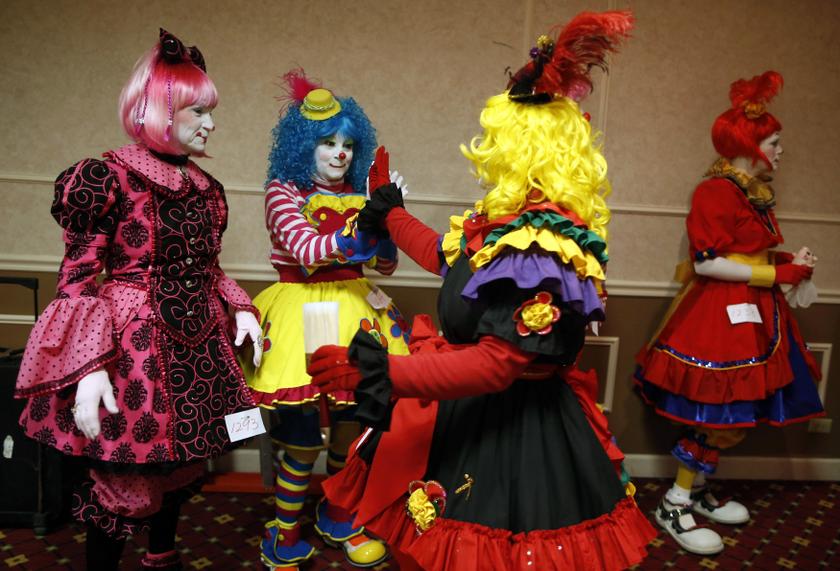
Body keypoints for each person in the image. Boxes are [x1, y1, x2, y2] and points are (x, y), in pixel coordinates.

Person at [306, 11, 656, 571]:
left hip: (518, 432)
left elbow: (496, 365)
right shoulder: (509, 225)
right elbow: (450, 261)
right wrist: (392, 214)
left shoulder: (545, 244)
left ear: (521, 148)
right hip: (468, 413)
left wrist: (384, 373)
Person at [13, 29, 263, 570]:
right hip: (132, 347)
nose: (211, 124)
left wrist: (241, 307)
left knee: (180, 464)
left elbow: (207, 267)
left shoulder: (207, 190)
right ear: (159, 110)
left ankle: (162, 556)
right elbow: (78, 278)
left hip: (197, 341)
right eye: (197, 111)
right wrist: (90, 366)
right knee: (128, 472)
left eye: (210, 111)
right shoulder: (106, 177)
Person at [634, 70, 824, 555]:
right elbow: (709, 262)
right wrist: (776, 276)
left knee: (730, 412)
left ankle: (695, 491)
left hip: (753, 313)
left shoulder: (748, 192)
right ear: (752, 144)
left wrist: (789, 266)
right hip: (718, 316)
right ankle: (674, 503)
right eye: (776, 143)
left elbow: (747, 255)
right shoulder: (715, 192)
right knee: (716, 411)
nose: (782, 152)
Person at [240, 70, 409, 570]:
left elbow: (383, 266)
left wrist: (391, 219)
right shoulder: (281, 191)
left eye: (348, 145)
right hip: (302, 314)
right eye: (327, 142)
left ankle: (340, 515)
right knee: (300, 440)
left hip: (358, 313)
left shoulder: (361, 197)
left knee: (353, 431)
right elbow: (309, 251)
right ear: (301, 147)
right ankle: (285, 535)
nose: (340, 153)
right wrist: (371, 222)